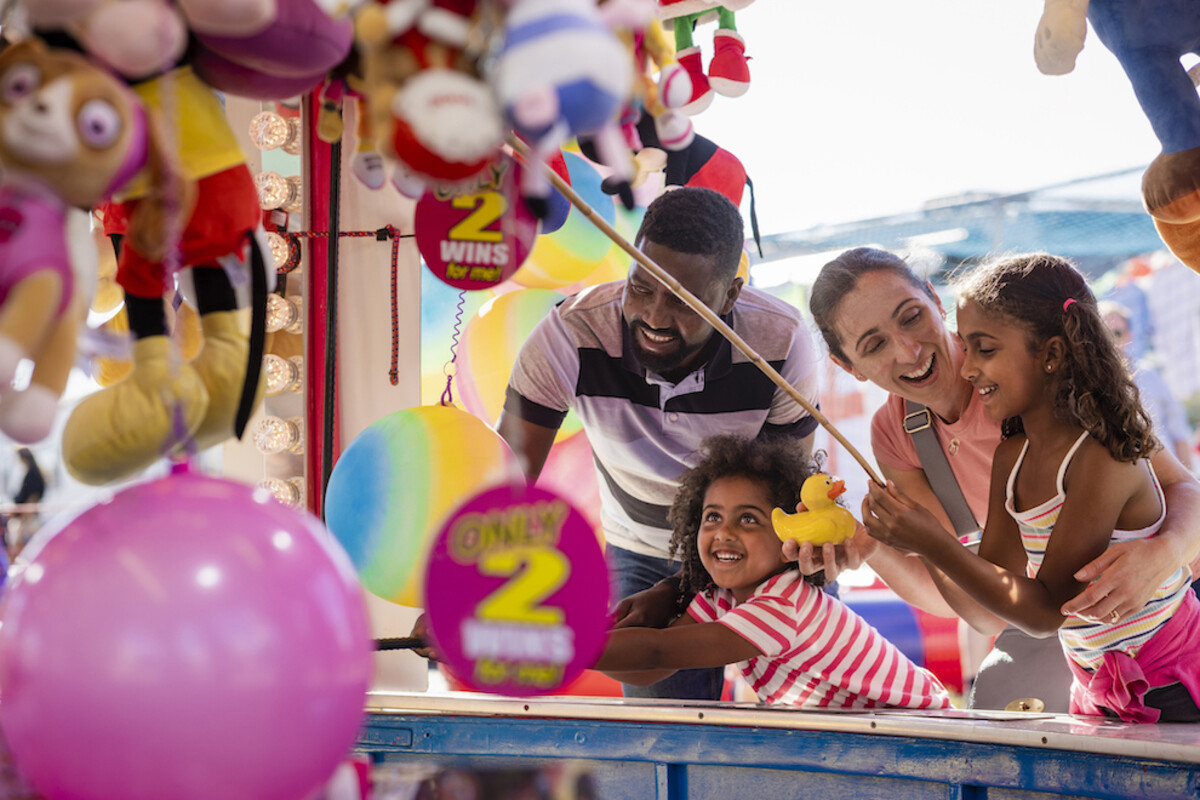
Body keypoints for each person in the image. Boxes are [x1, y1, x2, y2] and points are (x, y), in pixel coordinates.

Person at [802, 247, 1200, 712]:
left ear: (934, 298)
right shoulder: (927, 436)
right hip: (1083, 649)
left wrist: (1165, 551)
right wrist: (878, 545)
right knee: (999, 708)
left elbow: (1181, 485)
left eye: (911, 317)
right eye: (873, 345)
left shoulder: (1047, 393)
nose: (907, 351)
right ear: (849, 367)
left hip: (1166, 626)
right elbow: (983, 605)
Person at [497, 187, 822, 700]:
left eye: (682, 301)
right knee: (666, 741)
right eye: (641, 286)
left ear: (730, 296)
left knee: (811, 721)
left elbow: (779, 505)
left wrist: (678, 590)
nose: (653, 316)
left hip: (759, 548)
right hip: (640, 547)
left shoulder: (781, 342)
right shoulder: (567, 335)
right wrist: (462, 597)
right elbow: (505, 484)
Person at [594, 434, 952, 711]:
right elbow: (651, 671)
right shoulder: (718, 598)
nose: (724, 533)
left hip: (922, 726)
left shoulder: (782, 605)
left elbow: (658, 652)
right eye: (712, 517)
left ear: (791, 533)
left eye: (748, 519)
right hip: (865, 737)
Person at [1100, 301, 1194, 471]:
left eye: (1117, 333)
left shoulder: (1149, 375)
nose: (1111, 341)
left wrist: (1188, 478)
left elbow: (1178, 428)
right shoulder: (1095, 387)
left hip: (1170, 474)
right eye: (1105, 335)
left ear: (1129, 335)